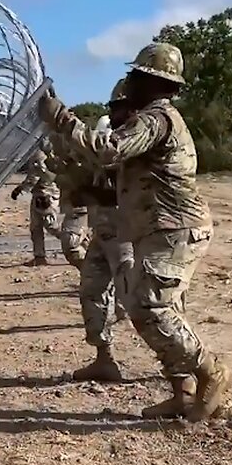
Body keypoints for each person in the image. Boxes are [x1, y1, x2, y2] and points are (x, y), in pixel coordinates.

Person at [36, 41, 231, 422]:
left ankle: (211, 372)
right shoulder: (153, 120)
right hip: (162, 229)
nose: (131, 82)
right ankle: (183, 393)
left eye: (140, 76)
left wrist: (61, 118)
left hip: (176, 229)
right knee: (158, 307)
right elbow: (121, 182)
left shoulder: (156, 119)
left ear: (160, 84)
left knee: (148, 306)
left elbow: (107, 150)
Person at [66, 79, 137, 383]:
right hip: (102, 234)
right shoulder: (111, 143)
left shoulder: (135, 143)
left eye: (118, 106)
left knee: (142, 304)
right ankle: (104, 358)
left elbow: (124, 193)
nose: (114, 113)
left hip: (126, 237)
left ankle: (181, 371)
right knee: (92, 292)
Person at [9, 136, 60, 266]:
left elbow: (34, 177)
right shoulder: (42, 154)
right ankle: (39, 257)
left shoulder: (39, 156)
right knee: (36, 227)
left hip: (45, 194)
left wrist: (20, 189)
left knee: (51, 226)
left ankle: (77, 242)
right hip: (41, 193)